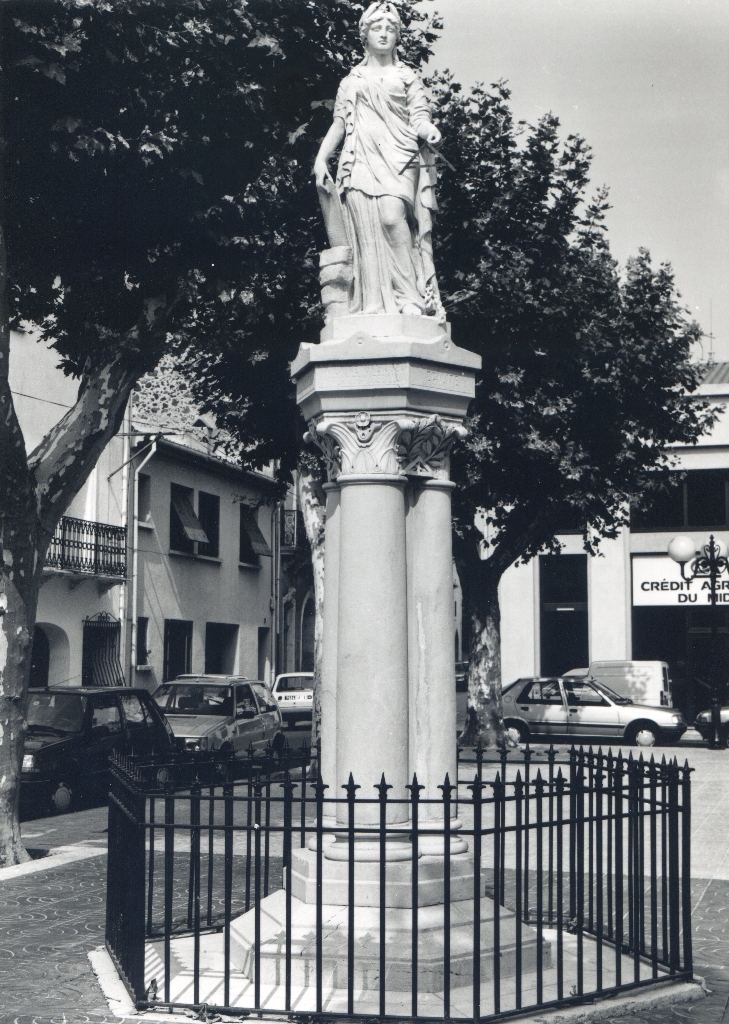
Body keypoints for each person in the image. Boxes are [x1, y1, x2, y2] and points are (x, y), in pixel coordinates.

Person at [313, 1, 444, 318]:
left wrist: (429, 130)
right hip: (358, 160)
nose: (384, 34)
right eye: (377, 28)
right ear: (365, 34)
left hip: (399, 156)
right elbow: (340, 124)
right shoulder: (351, 81)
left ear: (398, 36)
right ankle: (372, 303)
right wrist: (320, 160)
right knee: (367, 231)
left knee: (390, 217)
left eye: (390, 29)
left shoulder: (407, 77)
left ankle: (409, 297)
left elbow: (419, 116)